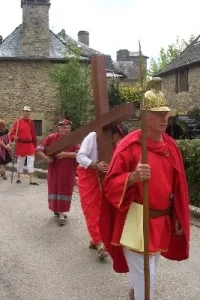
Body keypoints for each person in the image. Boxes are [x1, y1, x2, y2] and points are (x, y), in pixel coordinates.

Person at [99, 77, 190, 300]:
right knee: (146, 285)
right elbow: (110, 185)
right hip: (137, 222)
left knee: (149, 269)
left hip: (161, 221)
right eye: (158, 113)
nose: (164, 117)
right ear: (144, 116)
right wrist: (132, 177)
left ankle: (134, 290)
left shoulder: (170, 145)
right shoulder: (129, 147)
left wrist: (177, 215)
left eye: (165, 112)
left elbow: (178, 186)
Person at [76, 123, 128, 260]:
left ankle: (96, 239)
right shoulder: (93, 136)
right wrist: (95, 165)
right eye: (118, 136)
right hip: (88, 175)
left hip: (105, 177)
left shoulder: (116, 144)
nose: (118, 140)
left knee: (104, 209)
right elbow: (80, 156)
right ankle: (99, 243)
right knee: (91, 208)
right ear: (113, 132)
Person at [35, 119, 80, 226]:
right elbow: (38, 150)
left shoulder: (73, 139)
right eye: (64, 128)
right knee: (55, 189)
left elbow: (80, 154)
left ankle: (61, 211)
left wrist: (65, 155)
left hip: (68, 171)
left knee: (65, 190)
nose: (67, 130)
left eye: (69, 128)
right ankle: (58, 210)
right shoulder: (51, 138)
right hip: (55, 170)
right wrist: (46, 159)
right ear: (59, 128)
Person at [9, 106, 38, 185]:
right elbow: (12, 134)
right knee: (20, 161)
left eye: (28, 112)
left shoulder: (31, 122)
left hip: (30, 144)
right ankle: (18, 177)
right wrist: (13, 137)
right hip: (21, 144)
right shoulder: (18, 122)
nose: (27, 113)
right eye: (26, 111)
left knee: (31, 161)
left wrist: (35, 144)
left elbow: (33, 134)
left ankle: (31, 179)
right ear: (22, 112)